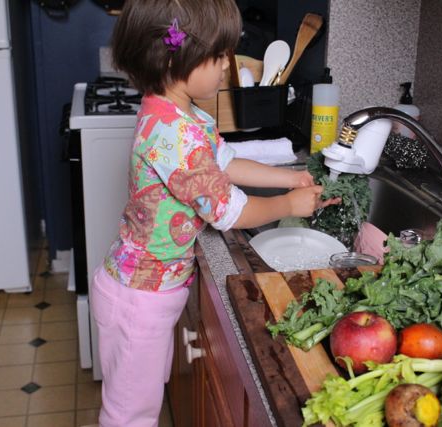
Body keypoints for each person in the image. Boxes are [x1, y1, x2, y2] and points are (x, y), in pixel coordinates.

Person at [90, 0, 340, 425]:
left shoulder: (181, 114)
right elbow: (227, 210)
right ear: (175, 58)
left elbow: (225, 161)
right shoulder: (173, 135)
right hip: (139, 300)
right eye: (215, 57)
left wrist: (291, 180)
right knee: (129, 415)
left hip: (147, 291)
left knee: (138, 406)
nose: (225, 67)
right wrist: (288, 206)